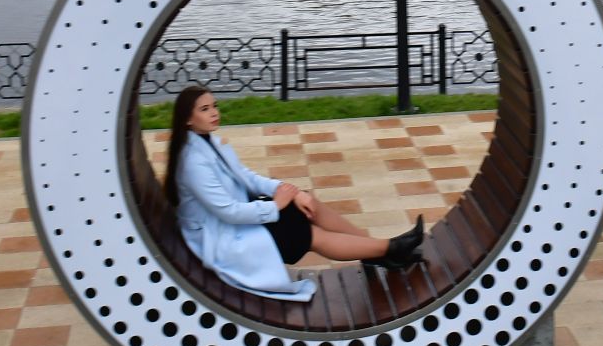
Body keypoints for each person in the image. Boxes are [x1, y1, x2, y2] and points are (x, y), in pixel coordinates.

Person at [163, 86, 423, 301]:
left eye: (215, 106)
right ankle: (391, 248)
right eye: (205, 109)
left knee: (308, 204)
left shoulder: (210, 143)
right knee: (307, 234)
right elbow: (229, 212)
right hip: (222, 236)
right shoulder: (193, 162)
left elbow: (248, 178)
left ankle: (376, 251)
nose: (214, 113)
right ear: (187, 119)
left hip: (242, 217)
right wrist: (275, 207)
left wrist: (290, 192)